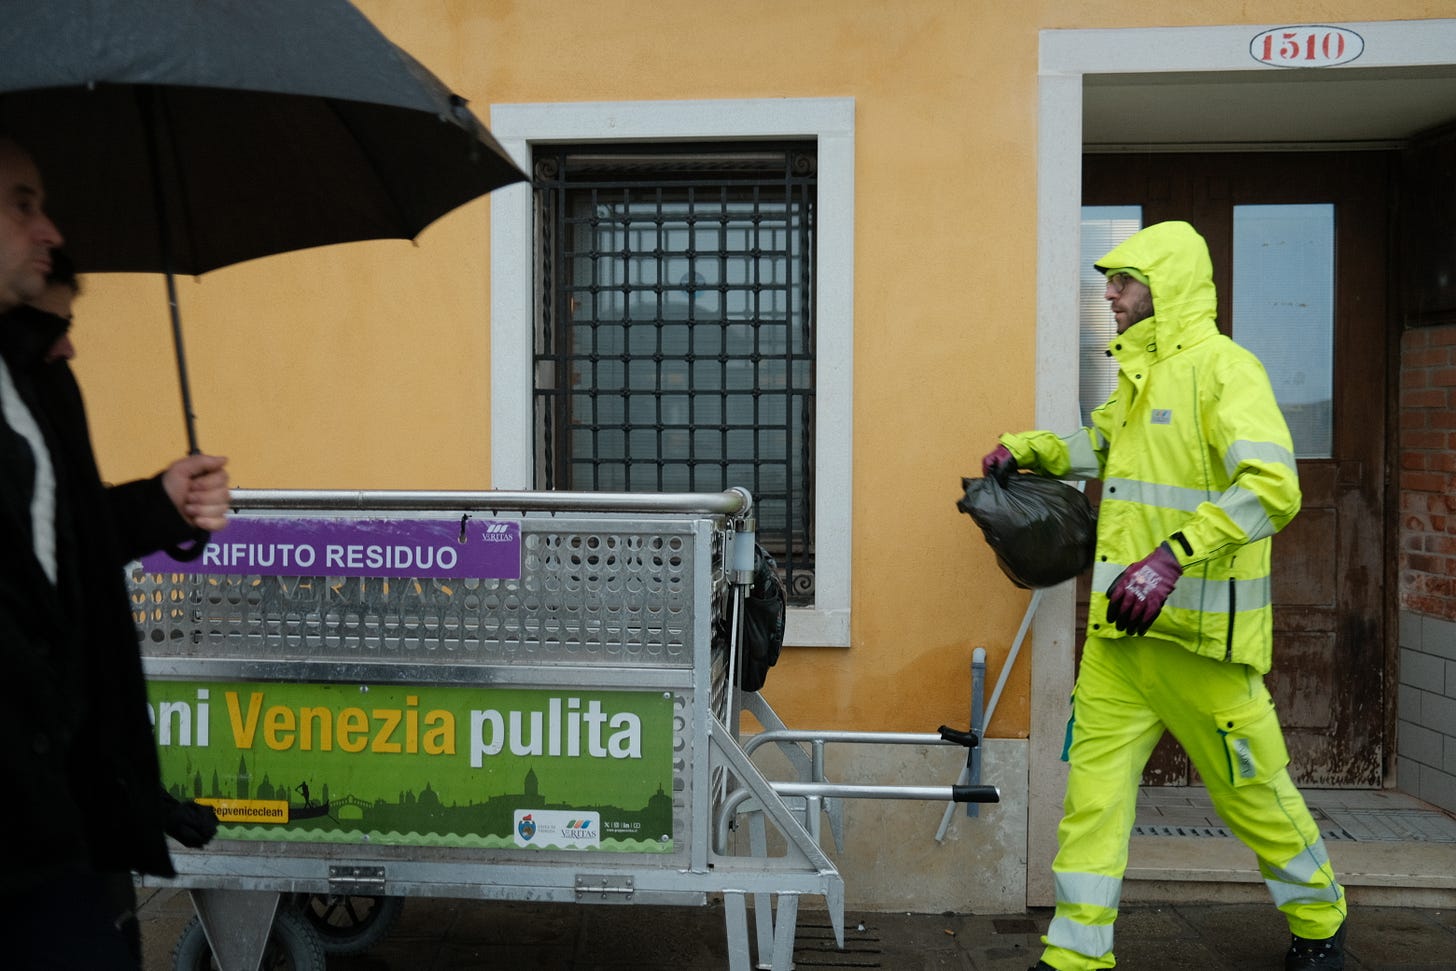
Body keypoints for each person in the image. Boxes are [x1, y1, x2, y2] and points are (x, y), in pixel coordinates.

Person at [982, 221, 1346, 971]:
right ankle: (1075, 955)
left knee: (1253, 795)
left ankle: (1319, 919)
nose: (1109, 295)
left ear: (1167, 287)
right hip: (1119, 643)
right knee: (1092, 802)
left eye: (1124, 282)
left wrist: (1171, 559)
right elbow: (1099, 446)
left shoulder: (1226, 370)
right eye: (1109, 283)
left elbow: (1273, 488)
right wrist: (1027, 449)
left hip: (1201, 648)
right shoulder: (1137, 376)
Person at [0, 135, 230, 969]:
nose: (51, 229)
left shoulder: (33, 383)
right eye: (22, 203)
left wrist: (158, 504)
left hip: (61, 823)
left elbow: (62, 544)